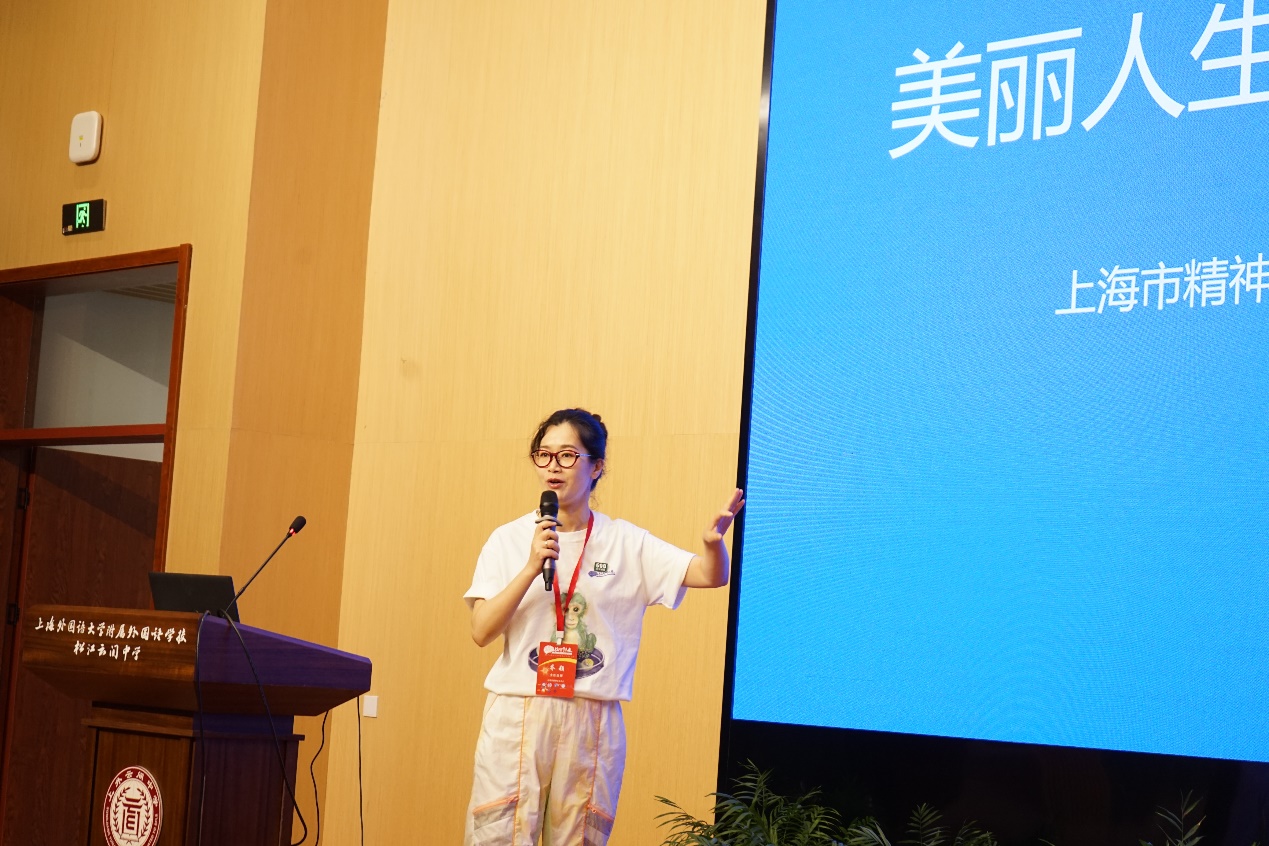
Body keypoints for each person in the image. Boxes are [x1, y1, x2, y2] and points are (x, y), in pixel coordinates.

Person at [462, 408, 744, 846]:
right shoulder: (509, 539)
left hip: (591, 716)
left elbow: (710, 575)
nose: (553, 466)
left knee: (579, 838)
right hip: (518, 709)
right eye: (544, 454)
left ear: (596, 467)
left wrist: (713, 545)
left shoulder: (626, 542)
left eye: (567, 455)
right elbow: (481, 630)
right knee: (500, 834)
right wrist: (531, 567)